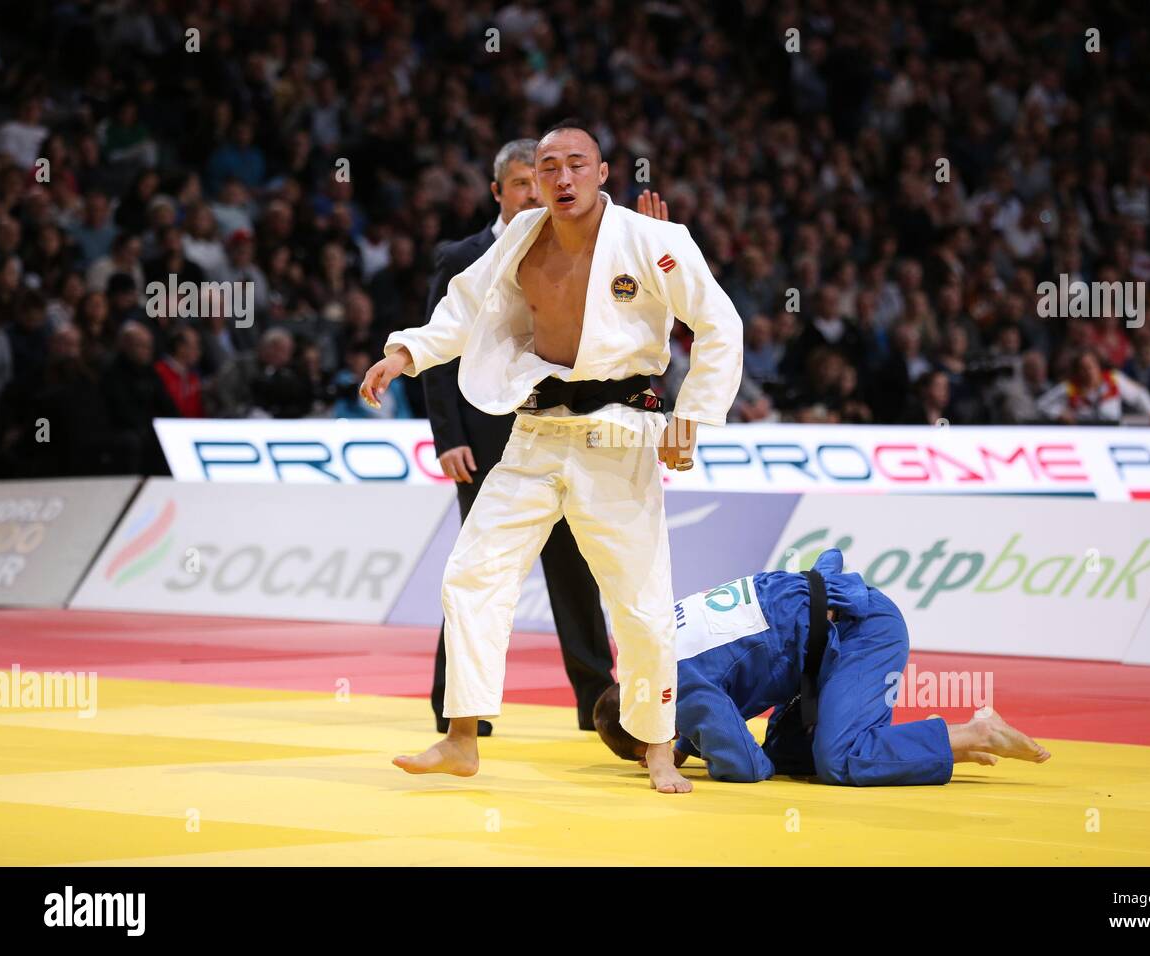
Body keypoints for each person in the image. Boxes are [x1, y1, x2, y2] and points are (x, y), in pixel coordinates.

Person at [361, 120, 743, 794]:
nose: (562, 178)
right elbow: (464, 308)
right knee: (472, 572)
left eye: (576, 164)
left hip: (619, 436)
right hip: (536, 433)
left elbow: (720, 324)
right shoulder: (520, 238)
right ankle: (461, 738)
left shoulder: (653, 241)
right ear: (533, 182)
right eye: (548, 168)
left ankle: (658, 745)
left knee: (638, 601)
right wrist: (406, 352)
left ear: (602, 173)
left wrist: (694, 418)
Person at [420, 139, 614, 736]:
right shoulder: (462, 256)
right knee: (479, 571)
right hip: (479, 441)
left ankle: (596, 704)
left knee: (575, 571)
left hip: (557, 431)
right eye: (523, 183)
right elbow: (436, 350)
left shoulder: (578, 243)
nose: (536, 192)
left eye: (542, 180)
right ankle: (458, 710)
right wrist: (447, 436)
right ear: (497, 190)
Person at [593, 549, 1051, 785]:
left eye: (650, 748)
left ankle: (977, 732)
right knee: (790, 755)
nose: (662, 751)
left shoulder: (677, 684)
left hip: (860, 631)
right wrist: (687, 745)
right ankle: (929, 743)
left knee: (838, 760)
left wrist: (697, 754)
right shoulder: (651, 651)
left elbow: (747, 768)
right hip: (819, 643)